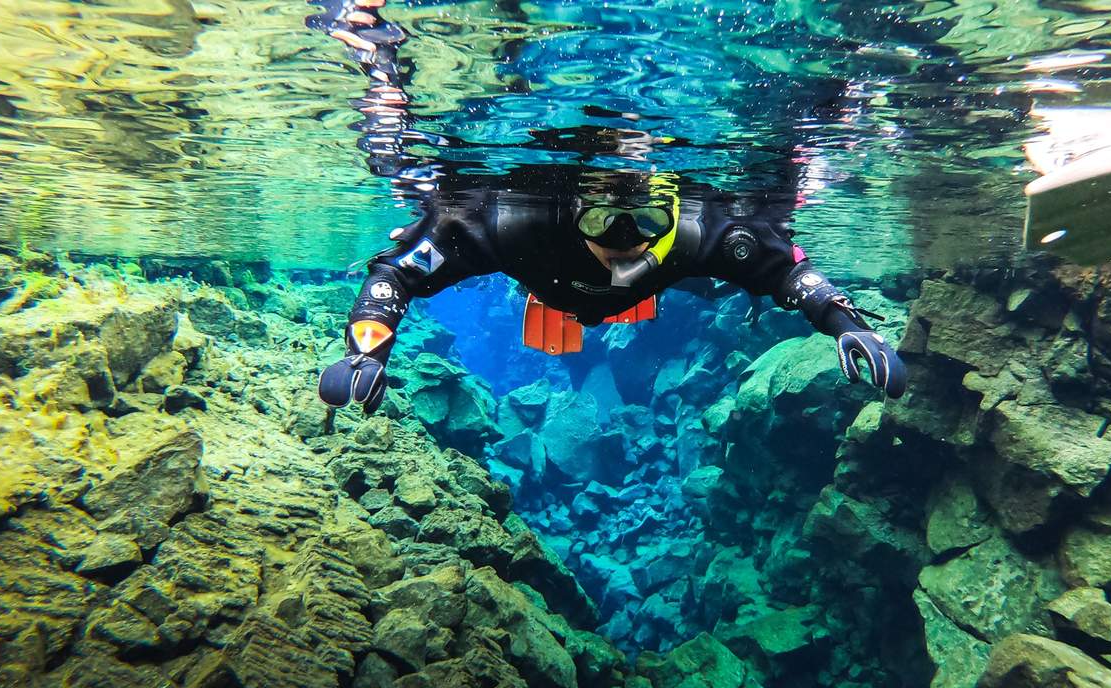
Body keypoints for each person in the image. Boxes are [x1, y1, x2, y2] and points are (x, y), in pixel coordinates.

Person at [309, 1, 907, 414]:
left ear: (674, 208)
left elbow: (788, 272)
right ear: (570, 209)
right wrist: (364, 353)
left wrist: (849, 327)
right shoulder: (514, 224)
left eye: (647, 217)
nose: (627, 235)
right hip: (545, 278)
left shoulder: (703, 234)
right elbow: (397, 274)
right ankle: (373, 55)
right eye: (604, 216)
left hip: (661, 277)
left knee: (728, 280)